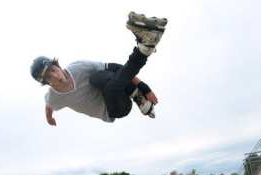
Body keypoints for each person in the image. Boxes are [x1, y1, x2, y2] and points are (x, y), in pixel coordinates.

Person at [30, 12, 167, 125]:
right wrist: (49, 119)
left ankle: (146, 48)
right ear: (46, 83)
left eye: (53, 70)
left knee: (97, 76)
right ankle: (145, 49)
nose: (55, 76)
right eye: (49, 77)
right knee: (110, 86)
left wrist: (144, 87)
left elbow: (115, 67)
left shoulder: (79, 67)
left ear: (57, 65)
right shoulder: (53, 97)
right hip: (116, 109)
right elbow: (49, 107)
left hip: (116, 88)